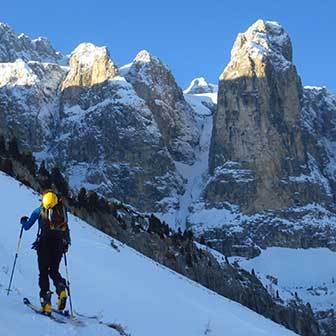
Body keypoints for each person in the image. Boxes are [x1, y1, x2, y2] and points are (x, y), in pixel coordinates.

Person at [20, 190, 71, 315]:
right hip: (59, 245)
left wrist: (23, 221)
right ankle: (61, 289)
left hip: (43, 245)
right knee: (54, 271)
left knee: (43, 272)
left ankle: (46, 303)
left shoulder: (39, 210)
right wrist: (66, 243)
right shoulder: (62, 211)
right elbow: (66, 228)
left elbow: (27, 226)